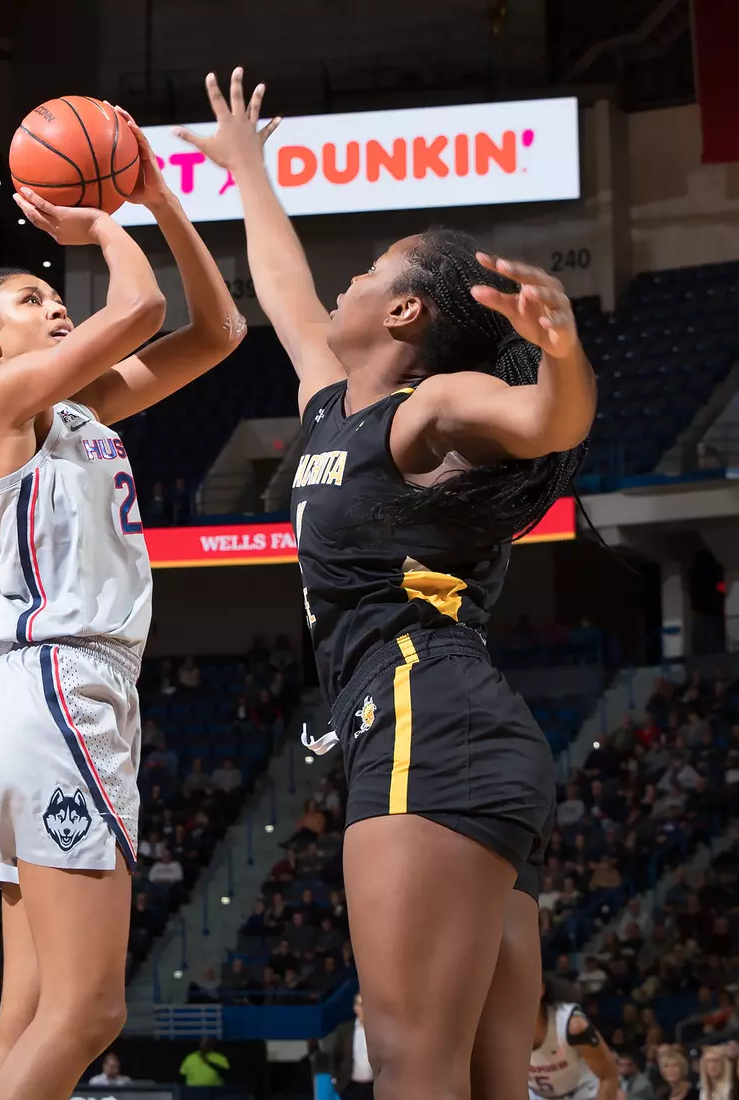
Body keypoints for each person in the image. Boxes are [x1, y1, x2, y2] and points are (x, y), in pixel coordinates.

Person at [178, 67, 591, 1099]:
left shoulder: (428, 404)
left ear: (404, 309)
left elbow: (547, 422)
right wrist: (246, 170)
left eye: (364, 269)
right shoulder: (330, 403)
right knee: (492, 1078)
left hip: (424, 718)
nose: (343, 284)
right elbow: (280, 288)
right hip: (455, 731)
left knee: (408, 1059)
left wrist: (563, 355)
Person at [0, 103, 246, 1100]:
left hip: (50, 689)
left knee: (27, 1010)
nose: (57, 304)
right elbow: (141, 311)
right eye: (33, 298)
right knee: (91, 1010)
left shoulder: (76, 406)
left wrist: (159, 200)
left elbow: (219, 331)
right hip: (64, 677)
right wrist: (104, 220)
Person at [527, 982, 621, 1100]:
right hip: (535, 1095)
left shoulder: (572, 1025)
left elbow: (608, 1075)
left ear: (540, 990)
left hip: (582, 1091)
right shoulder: (500, 1032)